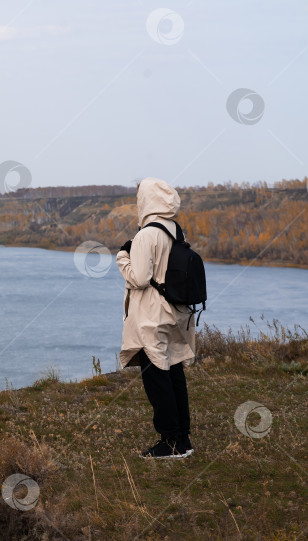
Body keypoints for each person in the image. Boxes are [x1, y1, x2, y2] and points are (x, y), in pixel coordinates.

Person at [116, 177, 196, 459]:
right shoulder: (176, 230)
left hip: (151, 316)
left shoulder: (146, 235)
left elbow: (138, 278)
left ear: (145, 201)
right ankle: (182, 438)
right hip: (175, 313)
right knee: (174, 374)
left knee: (156, 380)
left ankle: (170, 442)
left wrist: (123, 258)